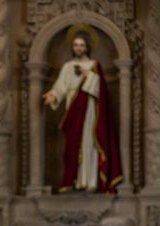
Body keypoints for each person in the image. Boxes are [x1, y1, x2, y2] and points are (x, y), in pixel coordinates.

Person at [43, 28, 122, 193]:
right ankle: (78, 180)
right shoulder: (67, 66)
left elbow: (101, 90)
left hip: (89, 109)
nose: (78, 48)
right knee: (73, 145)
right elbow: (61, 86)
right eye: (75, 45)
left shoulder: (94, 66)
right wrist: (53, 95)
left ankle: (91, 181)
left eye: (81, 45)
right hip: (73, 108)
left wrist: (90, 75)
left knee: (89, 142)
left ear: (87, 47)